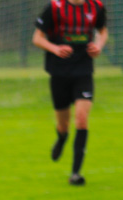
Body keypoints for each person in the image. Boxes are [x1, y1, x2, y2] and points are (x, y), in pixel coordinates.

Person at [33, 0, 108, 186]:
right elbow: (37, 38)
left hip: (83, 72)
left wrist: (99, 46)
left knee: (82, 119)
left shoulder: (96, 6)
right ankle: (62, 137)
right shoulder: (54, 8)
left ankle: (76, 173)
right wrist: (55, 48)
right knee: (63, 124)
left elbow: (102, 31)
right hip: (59, 73)